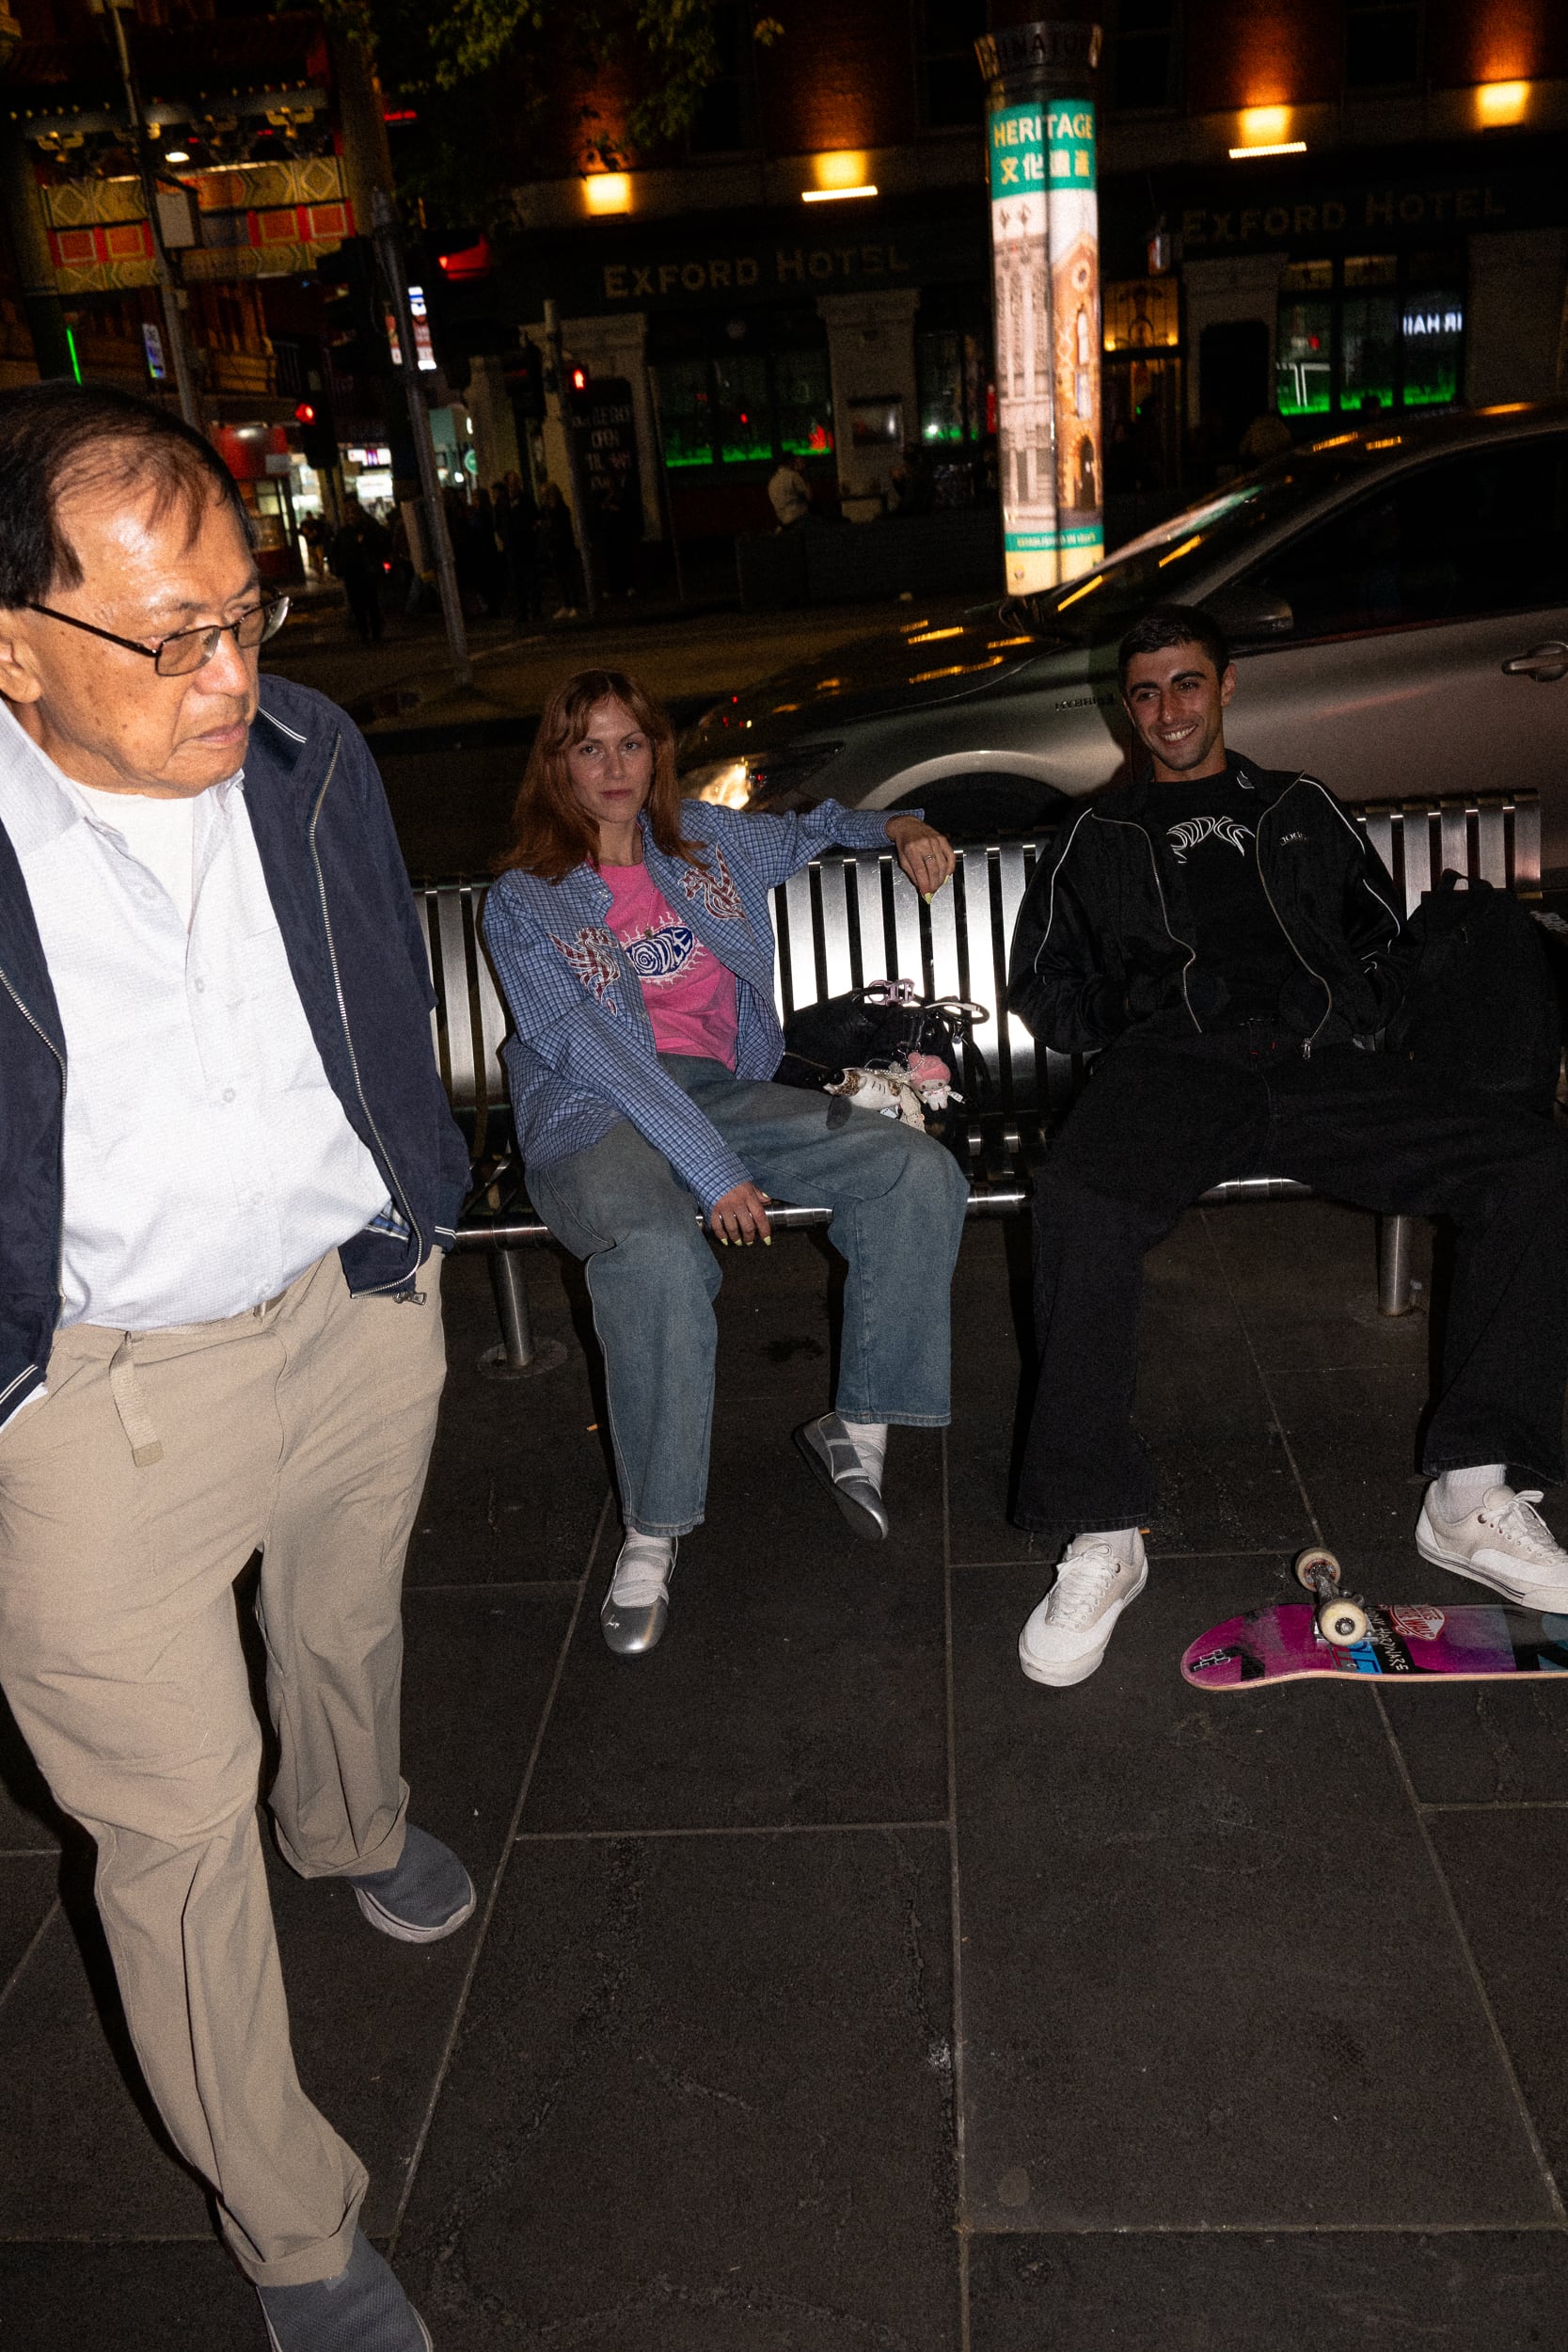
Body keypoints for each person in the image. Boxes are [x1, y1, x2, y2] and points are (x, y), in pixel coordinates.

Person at [0, 382, 473, 2349]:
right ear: (14, 644)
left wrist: (414, 1218)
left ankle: (348, 1823)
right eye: (170, 632)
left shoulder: (306, 747)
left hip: (350, 1304)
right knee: (171, 1828)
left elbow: (375, 984)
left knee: (345, 1626)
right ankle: (296, 2236)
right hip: (88, 1395)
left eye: (247, 610)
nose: (229, 673)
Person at [1005, 602, 1568, 1688]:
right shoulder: (1093, 833)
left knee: (1527, 1166)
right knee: (1079, 1202)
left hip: (1314, 1063)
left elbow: (1379, 937)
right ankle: (1100, 1526)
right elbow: (1044, 984)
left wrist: (1350, 1015)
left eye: (1185, 682)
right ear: (1124, 710)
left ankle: (1469, 1493)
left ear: (1223, 686)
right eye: (1143, 692)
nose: (1167, 709)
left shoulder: (1298, 805)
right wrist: (1137, 1016)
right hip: (1171, 1069)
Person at [483, 668, 971, 1657]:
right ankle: (652, 1529)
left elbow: (813, 827)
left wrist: (900, 825)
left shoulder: (704, 844)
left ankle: (857, 1425)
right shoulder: (526, 900)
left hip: (716, 1091)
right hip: (592, 1110)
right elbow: (596, 1051)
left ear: (657, 753)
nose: (613, 767)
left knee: (913, 1171)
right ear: (557, 765)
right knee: (655, 1254)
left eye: (631, 743)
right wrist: (709, 1169)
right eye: (588, 747)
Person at [328, 498, 382, 644]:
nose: (351, 516)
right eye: (349, 513)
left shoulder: (368, 529)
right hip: (351, 573)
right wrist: (339, 568)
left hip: (366, 572)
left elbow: (378, 545)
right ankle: (364, 632)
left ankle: (375, 632)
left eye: (354, 513)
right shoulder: (343, 533)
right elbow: (336, 552)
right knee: (357, 605)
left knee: (371, 603)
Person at [768, 450, 813, 531]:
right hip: (799, 517)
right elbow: (810, 498)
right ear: (790, 462)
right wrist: (805, 476)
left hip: (783, 521)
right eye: (795, 461)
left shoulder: (772, 481)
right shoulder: (793, 476)